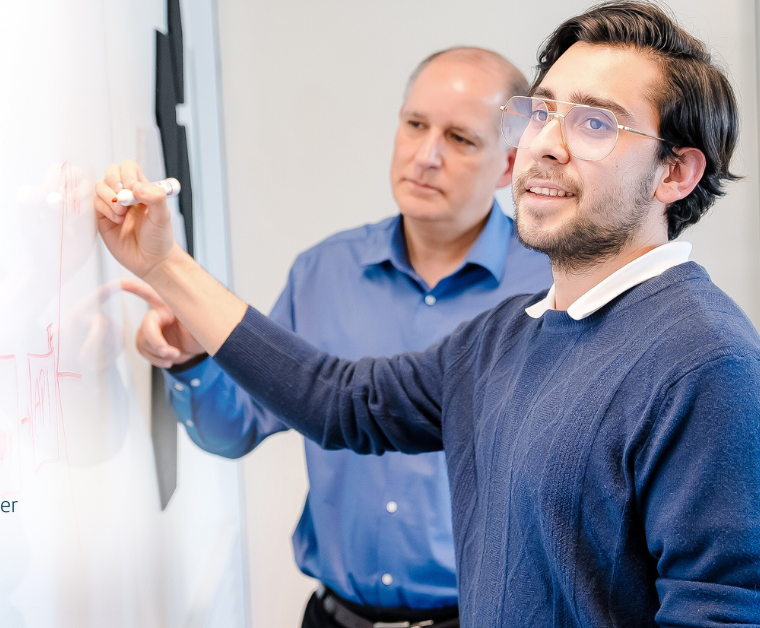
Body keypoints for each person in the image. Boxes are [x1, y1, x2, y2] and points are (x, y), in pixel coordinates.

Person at [94, 2, 760, 626]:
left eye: (595, 123)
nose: (546, 144)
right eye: (543, 111)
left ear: (676, 173)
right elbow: (339, 401)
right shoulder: (510, 332)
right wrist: (164, 265)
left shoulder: (713, 371)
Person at [121, 48, 551, 628]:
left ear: (508, 166)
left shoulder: (549, 290)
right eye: (416, 125)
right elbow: (237, 427)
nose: (426, 157)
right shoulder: (323, 272)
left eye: (460, 139)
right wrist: (193, 359)